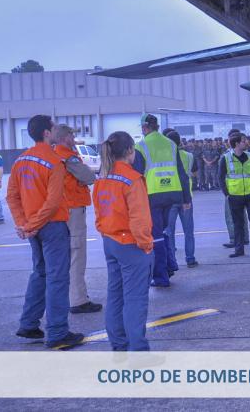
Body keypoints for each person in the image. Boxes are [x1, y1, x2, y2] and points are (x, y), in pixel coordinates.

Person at [7, 114, 84, 347]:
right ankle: (58, 332)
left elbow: (12, 196)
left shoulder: (20, 161)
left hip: (34, 229)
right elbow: (52, 203)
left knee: (40, 273)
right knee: (58, 278)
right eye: (52, 128)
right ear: (47, 133)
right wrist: (30, 225)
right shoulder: (54, 161)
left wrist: (24, 224)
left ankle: (29, 324)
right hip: (52, 226)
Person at [94, 131, 154, 351]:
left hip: (110, 241)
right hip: (131, 244)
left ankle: (119, 344)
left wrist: (105, 233)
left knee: (116, 296)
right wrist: (146, 245)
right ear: (130, 151)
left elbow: (99, 211)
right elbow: (140, 218)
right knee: (135, 300)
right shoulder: (132, 179)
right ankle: (138, 351)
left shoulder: (103, 177)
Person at [133, 113, 191, 288]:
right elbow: (182, 173)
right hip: (173, 193)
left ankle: (161, 277)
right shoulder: (171, 144)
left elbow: (136, 176)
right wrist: (186, 198)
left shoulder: (141, 146)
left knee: (155, 236)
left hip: (153, 196)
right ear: (157, 126)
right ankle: (170, 265)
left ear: (144, 128)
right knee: (165, 231)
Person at [51, 124, 102, 314]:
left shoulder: (54, 155)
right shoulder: (69, 157)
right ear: (66, 138)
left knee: (63, 257)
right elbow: (89, 177)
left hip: (60, 210)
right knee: (77, 255)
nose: (74, 138)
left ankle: (68, 297)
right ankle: (78, 300)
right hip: (73, 209)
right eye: (72, 135)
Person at [219, 132, 250, 257]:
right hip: (235, 195)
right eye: (244, 141)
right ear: (237, 143)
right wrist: (226, 193)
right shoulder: (226, 158)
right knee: (237, 223)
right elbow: (221, 177)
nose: (246, 143)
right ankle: (239, 250)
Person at [162, 129, 197, 269]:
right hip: (186, 198)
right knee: (188, 231)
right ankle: (190, 258)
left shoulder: (164, 156)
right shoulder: (189, 156)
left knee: (169, 232)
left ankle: (172, 261)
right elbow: (194, 173)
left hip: (170, 197)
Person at [220, 130, 249, 249]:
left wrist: (226, 192)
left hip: (232, 190)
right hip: (245, 190)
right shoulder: (246, 154)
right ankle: (245, 238)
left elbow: (221, 175)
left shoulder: (228, 155)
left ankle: (234, 239)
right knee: (243, 215)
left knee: (231, 216)